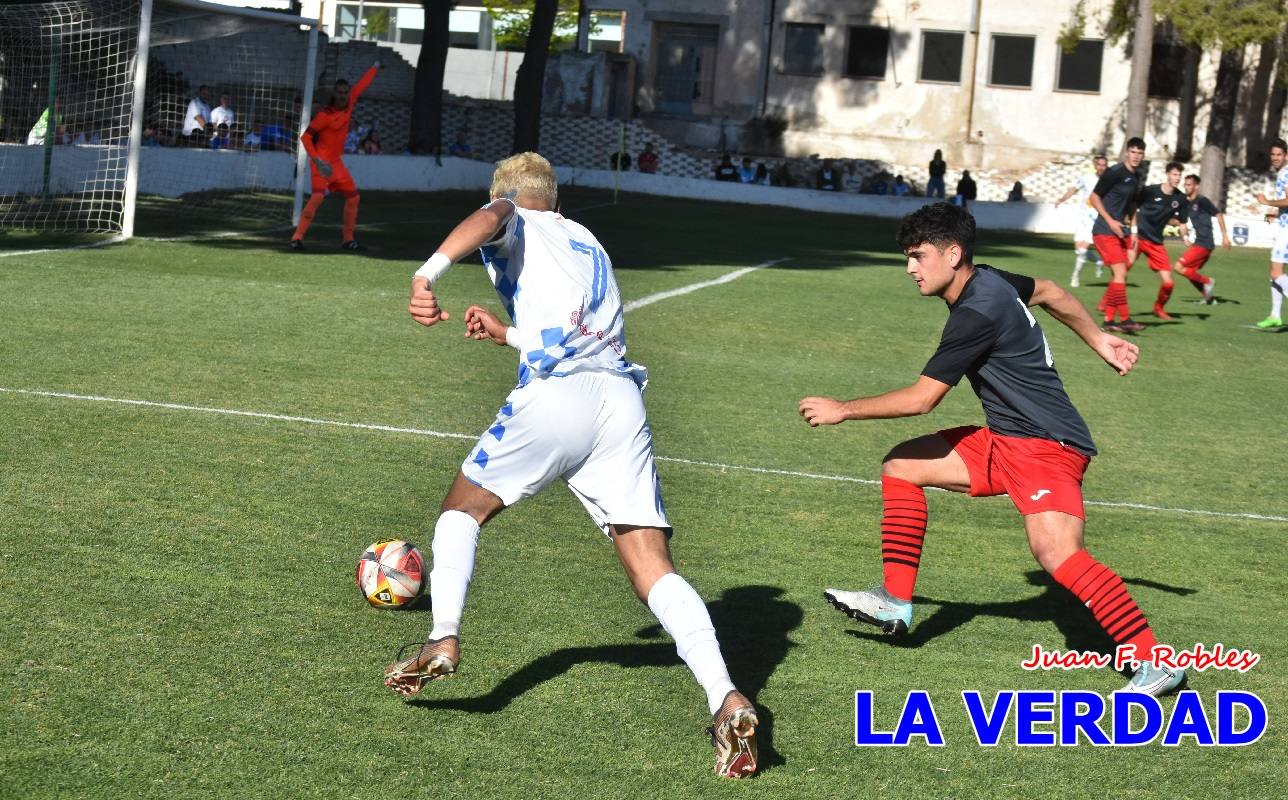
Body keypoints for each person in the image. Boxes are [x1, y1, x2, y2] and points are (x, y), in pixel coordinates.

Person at [385, 152, 760, 778]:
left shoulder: (517, 217)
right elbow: (575, 330)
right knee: (653, 568)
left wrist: (427, 277)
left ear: (512, 197)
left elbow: (492, 215)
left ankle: (442, 635)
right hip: (620, 404)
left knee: (462, 510)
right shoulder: (588, 241)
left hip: (558, 396)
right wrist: (507, 335)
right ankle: (727, 698)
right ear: (556, 198)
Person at [799, 202, 1184, 698]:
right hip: (1006, 439)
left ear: (952, 253)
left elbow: (922, 399)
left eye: (918, 256)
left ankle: (1155, 662)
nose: (910, 268)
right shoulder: (990, 280)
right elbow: (1050, 291)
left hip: (1047, 446)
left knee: (1058, 554)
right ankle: (895, 600)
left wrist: (842, 409)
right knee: (901, 466)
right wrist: (1099, 339)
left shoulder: (976, 313)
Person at [289, 61, 381, 252]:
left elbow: (361, 85)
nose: (343, 96)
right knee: (317, 199)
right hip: (321, 163)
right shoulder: (325, 115)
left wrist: (375, 67)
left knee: (354, 198)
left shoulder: (350, 102)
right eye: (339, 93)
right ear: (334, 94)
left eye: (345, 92)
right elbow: (306, 137)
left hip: (337, 164)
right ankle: (296, 238)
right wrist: (316, 160)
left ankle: (348, 240)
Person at [1090, 137, 1147, 332]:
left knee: (1118, 276)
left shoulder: (1137, 176)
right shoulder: (1113, 172)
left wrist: (1134, 232)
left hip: (1120, 233)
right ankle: (1124, 320)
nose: (1136, 156)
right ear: (1126, 153)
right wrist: (1110, 220)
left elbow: (1133, 206)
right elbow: (1094, 197)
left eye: (1140, 153)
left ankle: (1109, 320)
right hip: (1104, 231)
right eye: (1133, 152)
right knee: (1121, 273)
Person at [1131, 162, 1189, 321]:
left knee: (1169, 283)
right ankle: (1107, 305)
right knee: (1121, 272)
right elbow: (1133, 206)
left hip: (1156, 243)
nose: (1177, 178)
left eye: (1179, 175)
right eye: (1175, 174)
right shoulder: (1150, 191)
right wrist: (1132, 229)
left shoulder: (1181, 198)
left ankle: (1159, 308)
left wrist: (1185, 237)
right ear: (1168, 174)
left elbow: (1183, 222)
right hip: (1139, 238)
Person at [1171, 174, 1229, 304]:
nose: (1186, 187)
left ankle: (1208, 281)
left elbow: (1218, 214)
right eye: (1185, 185)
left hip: (1205, 243)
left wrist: (1225, 235)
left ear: (1196, 186)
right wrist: (1184, 236)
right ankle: (1209, 298)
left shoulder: (1202, 200)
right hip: (1199, 243)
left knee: (1178, 267)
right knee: (1190, 273)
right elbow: (1181, 221)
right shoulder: (1186, 203)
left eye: (1189, 185)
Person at [1055, 155, 1109, 287]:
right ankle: (1098, 262)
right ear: (1095, 165)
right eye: (1099, 164)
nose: (1101, 167)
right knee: (1078, 250)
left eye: (1104, 165)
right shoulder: (1087, 178)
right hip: (1083, 219)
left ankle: (1075, 277)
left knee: (1083, 250)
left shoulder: (1110, 181)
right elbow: (1074, 189)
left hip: (1097, 221)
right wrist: (1062, 199)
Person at [1254, 138, 1288, 328]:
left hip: (1287, 231)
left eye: (1279, 154)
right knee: (1274, 273)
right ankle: (1275, 315)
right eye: (1273, 154)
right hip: (1284, 226)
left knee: (1276, 273)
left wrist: (1268, 202)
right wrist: (1275, 213)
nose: (1275, 158)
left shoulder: (1286, 173)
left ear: (1286, 155)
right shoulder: (1283, 173)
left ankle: (1275, 314)